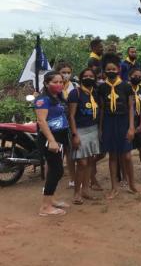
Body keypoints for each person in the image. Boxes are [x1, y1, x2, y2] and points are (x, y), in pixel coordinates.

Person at [98, 54, 141, 198]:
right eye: (108, 69)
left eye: (113, 69)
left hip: (123, 122)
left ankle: (132, 185)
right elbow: (102, 109)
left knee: (127, 156)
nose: (111, 71)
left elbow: (131, 107)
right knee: (113, 156)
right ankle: (114, 187)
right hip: (109, 123)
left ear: (118, 70)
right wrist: (100, 128)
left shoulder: (126, 86)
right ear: (104, 72)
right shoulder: (102, 88)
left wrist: (131, 127)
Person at [35, 71, 71, 216]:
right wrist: (51, 140)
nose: (59, 84)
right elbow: (41, 121)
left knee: (54, 170)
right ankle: (45, 207)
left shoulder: (59, 97)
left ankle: (51, 200)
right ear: (46, 83)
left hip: (61, 136)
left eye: (61, 82)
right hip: (50, 138)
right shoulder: (43, 100)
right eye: (55, 82)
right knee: (57, 170)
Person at [67, 68, 101, 205]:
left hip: (93, 129)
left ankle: (86, 190)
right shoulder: (76, 93)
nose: (88, 78)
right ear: (81, 78)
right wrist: (74, 134)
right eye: (85, 76)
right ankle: (77, 192)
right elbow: (71, 116)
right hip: (80, 130)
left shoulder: (96, 93)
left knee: (90, 161)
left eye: (91, 76)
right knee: (82, 162)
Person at [56, 60, 76, 188]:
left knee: (70, 152)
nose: (66, 75)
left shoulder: (74, 86)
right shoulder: (53, 86)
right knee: (56, 153)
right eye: (63, 72)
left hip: (70, 122)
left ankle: (72, 178)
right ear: (58, 73)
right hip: (56, 123)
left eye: (68, 72)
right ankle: (52, 180)